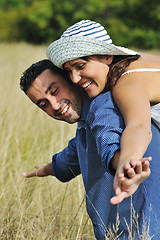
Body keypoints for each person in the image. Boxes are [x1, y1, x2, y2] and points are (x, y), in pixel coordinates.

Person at [20, 59, 160, 239]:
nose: (54, 106)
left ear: (72, 79)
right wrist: (48, 169)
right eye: (43, 104)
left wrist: (124, 164)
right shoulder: (85, 127)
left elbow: (108, 141)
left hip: (142, 231)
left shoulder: (104, 106)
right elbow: (75, 153)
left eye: (54, 91)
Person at [46, 19, 160, 199]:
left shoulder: (125, 85)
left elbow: (138, 126)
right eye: (69, 70)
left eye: (81, 66)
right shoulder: (138, 59)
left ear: (107, 56)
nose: (74, 79)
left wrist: (127, 162)